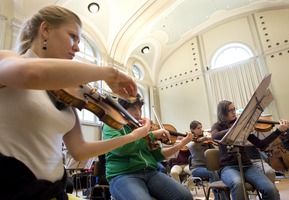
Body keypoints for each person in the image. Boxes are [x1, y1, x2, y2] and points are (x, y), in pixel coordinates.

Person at [0, 5, 153, 200]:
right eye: (72, 36)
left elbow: (80, 150)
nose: (77, 47)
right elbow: (31, 74)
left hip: (57, 192)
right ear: (45, 30)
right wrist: (109, 72)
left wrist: (132, 136)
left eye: (80, 40)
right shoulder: (7, 58)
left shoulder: (67, 94)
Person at [102, 94, 194, 200]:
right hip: (122, 175)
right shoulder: (112, 125)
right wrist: (152, 135)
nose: (138, 113)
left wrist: (182, 144)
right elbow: (120, 149)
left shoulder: (142, 128)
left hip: (150, 173)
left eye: (140, 108)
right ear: (122, 109)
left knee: (185, 196)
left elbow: (158, 155)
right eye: (133, 109)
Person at [211, 100, 289, 200]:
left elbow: (261, 145)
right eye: (230, 110)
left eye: (234, 109)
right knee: (237, 183)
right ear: (223, 112)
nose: (234, 112)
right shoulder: (218, 126)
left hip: (247, 166)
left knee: (270, 189)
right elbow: (214, 136)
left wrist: (279, 131)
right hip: (228, 167)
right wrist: (239, 126)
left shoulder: (242, 127)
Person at [187, 120, 221, 200]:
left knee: (221, 171)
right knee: (212, 172)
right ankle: (218, 198)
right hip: (196, 169)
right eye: (198, 128)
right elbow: (192, 145)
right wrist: (207, 137)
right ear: (192, 130)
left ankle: (222, 196)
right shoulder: (191, 142)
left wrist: (215, 142)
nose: (201, 130)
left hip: (207, 167)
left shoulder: (206, 142)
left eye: (201, 128)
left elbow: (215, 151)